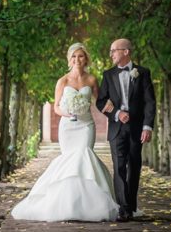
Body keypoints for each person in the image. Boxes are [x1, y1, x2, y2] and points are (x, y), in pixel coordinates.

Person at [9, 43, 120, 222]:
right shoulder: (63, 81)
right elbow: (57, 107)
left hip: (85, 125)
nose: (77, 60)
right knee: (70, 161)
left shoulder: (91, 80)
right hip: (68, 126)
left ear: (86, 59)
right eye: (74, 57)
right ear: (69, 60)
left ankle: (88, 205)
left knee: (85, 156)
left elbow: (100, 101)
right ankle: (67, 204)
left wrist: (113, 107)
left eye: (81, 56)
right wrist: (69, 112)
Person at [96, 38, 156, 222]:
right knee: (119, 166)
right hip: (116, 128)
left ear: (126, 52)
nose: (111, 54)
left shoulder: (143, 73)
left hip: (137, 128)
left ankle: (131, 204)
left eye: (114, 50)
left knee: (134, 166)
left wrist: (147, 126)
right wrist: (116, 113)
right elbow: (100, 101)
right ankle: (124, 209)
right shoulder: (108, 75)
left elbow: (150, 102)